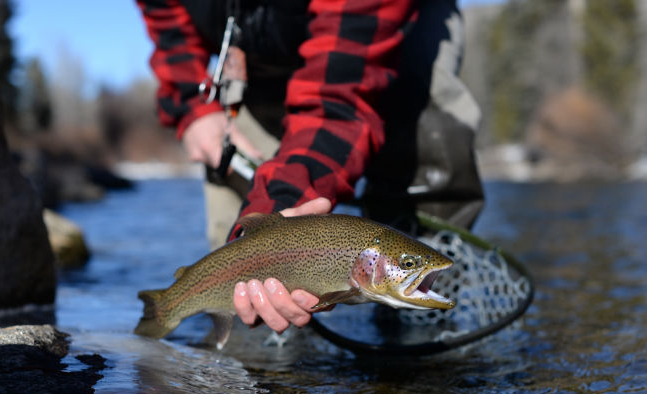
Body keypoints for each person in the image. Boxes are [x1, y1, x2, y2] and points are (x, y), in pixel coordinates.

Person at [136, 0, 484, 335]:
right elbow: (168, 22)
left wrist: (287, 199)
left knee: (428, 111)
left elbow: (336, 102)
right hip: (250, 61)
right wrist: (193, 105)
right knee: (248, 292)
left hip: (384, 36)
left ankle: (422, 330)